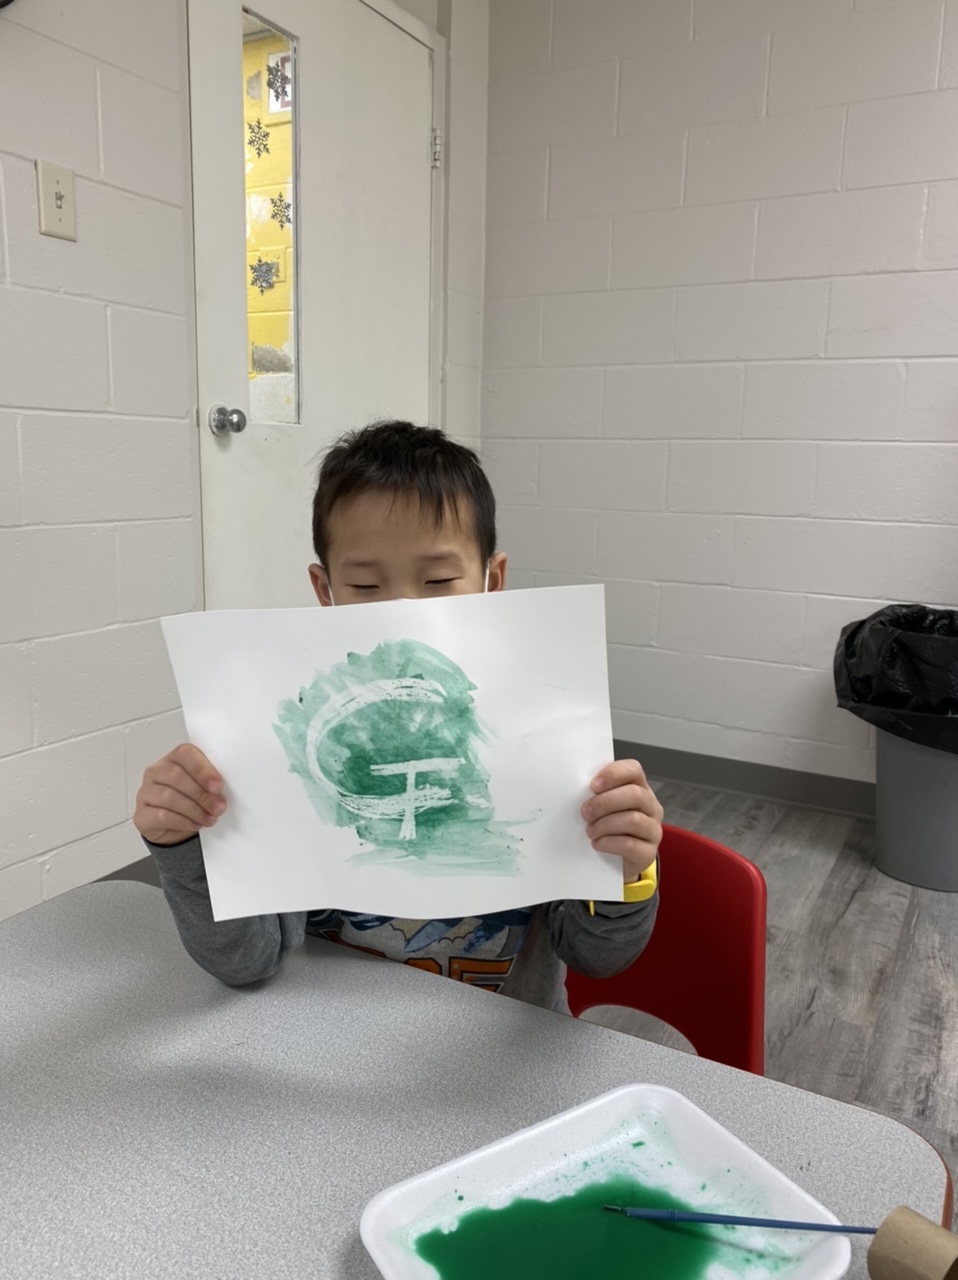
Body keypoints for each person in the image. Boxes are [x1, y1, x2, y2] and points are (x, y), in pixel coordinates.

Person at [134, 421, 663, 1013]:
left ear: (493, 579)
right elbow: (245, 961)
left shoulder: (551, 734)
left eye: (438, 580)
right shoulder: (285, 741)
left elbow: (599, 957)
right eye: (365, 584)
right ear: (325, 590)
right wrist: (186, 844)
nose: (404, 610)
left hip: (501, 1050)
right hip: (335, 1040)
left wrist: (626, 870)